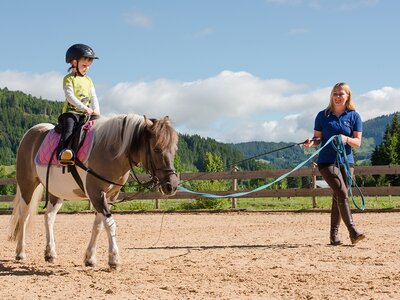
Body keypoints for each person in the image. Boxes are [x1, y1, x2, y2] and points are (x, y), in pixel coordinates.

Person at [304, 82, 365, 245]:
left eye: (341, 94)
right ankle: (353, 231)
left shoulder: (354, 116)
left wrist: (345, 139)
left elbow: (358, 142)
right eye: (335, 93)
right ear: (331, 96)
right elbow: (318, 138)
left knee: (338, 196)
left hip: (347, 162)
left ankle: (334, 236)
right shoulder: (322, 115)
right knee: (342, 193)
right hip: (326, 162)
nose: (337, 97)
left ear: (348, 96)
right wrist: (311, 142)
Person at [58, 44, 100, 163]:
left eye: (88, 66)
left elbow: (93, 96)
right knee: (70, 128)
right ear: (74, 62)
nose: (87, 68)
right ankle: (64, 152)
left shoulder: (88, 80)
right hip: (71, 112)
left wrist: (96, 110)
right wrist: (84, 108)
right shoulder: (68, 78)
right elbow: (70, 96)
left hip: (86, 113)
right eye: (84, 65)